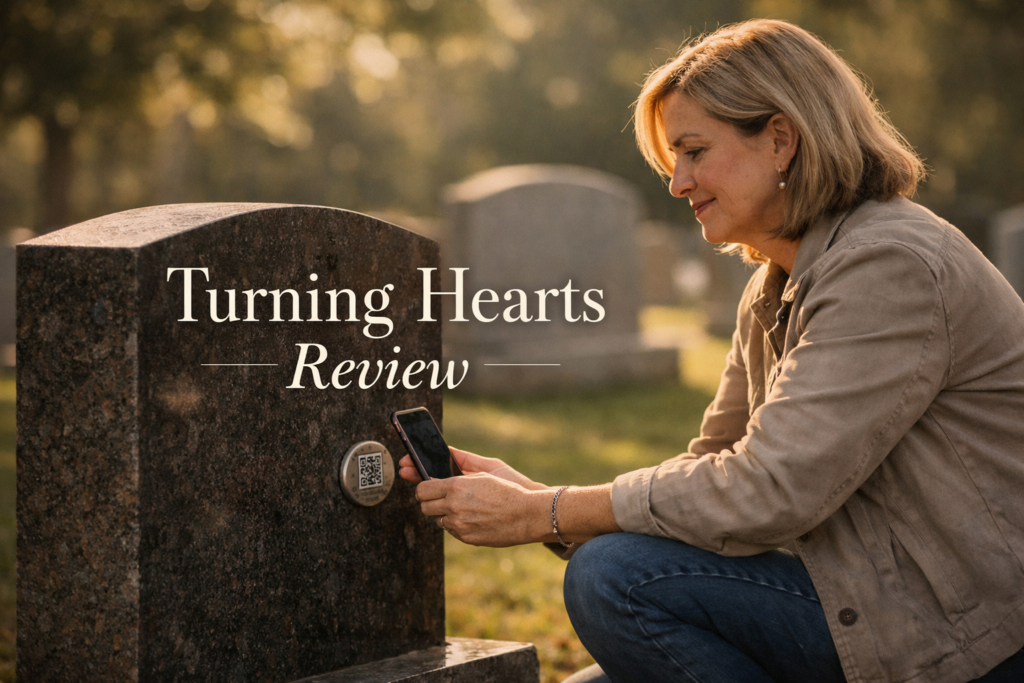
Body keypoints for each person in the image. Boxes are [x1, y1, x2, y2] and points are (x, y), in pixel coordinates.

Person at [398, 19, 1024, 683]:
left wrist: (546, 509)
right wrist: (544, 506)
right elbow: (712, 474)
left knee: (615, 579)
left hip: (966, 636)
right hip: (869, 600)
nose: (677, 182)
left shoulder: (888, 264)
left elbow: (766, 490)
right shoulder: (776, 283)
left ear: (781, 139)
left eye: (694, 151)